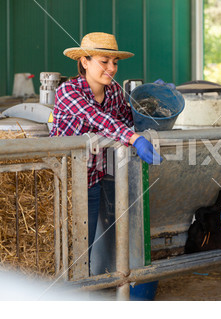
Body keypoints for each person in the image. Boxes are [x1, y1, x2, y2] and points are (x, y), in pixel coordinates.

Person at [49, 32, 162, 262]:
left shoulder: (113, 93)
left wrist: (151, 102)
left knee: (85, 250)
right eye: (104, 61)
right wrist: (134, 139)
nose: (111, 68)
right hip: (65, 183)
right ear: (84, 61)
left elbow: (127, 121)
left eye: (115, 62)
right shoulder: (68, 92)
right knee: (68, 252)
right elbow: (99, 119)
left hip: (93, 182)